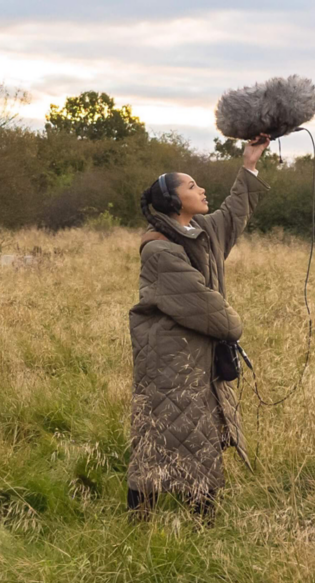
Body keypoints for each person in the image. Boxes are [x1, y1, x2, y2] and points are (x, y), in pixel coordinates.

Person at [127, 133, 272, 523]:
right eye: (191, 186)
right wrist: (233, 327)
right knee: (161, 438)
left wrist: (250, 163)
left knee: (199, 436)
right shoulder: (160, 250)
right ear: (174, 201)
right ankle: (143, 526)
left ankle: (199, 522)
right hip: (169, 363)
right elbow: (205, 307)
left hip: (194, 360)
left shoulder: (199, 233)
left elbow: (233, 214)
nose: (201, 188)